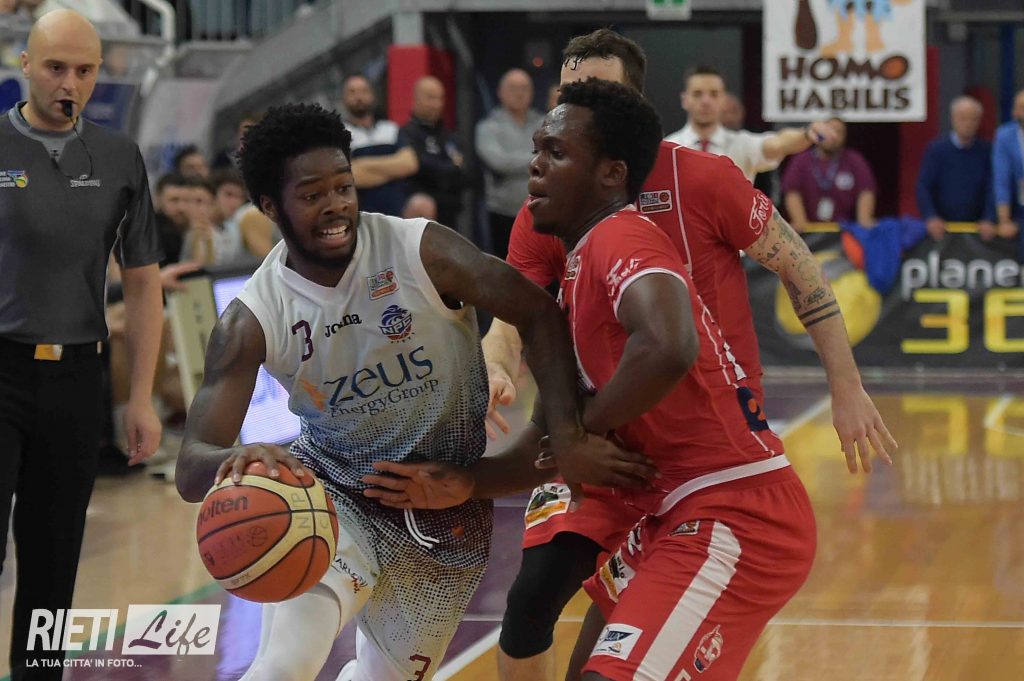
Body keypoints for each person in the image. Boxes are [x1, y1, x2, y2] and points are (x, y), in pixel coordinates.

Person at [364, 78, 819, 681]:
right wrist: (463, 483)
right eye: (536, 149)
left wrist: (581, 433)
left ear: (611, 174)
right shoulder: (577, 275)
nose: (535, 165)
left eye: (556, 153)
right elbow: (546, 442)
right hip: (671, 512)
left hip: (736, 512)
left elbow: (670, 345)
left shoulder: (620, 236)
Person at [173, 102, 646, 681]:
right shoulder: (253, 317)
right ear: (270, 206)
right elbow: (191, 468)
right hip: (334, 495)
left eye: (343, 186)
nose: (336, 206)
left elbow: (538, 313)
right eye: (313, 194)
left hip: (446, 514)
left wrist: (565, 434)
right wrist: (237, 456)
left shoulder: (419, 250)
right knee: (286, 664)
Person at [480, 29, 895, 681]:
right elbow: (517, 311)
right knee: (533, 594)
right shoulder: (550, 203)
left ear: (633, 106)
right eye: (567, 93)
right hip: (606, 434)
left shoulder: (701, 176)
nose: (575, 106)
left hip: (704, 440)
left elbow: (798, 265)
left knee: (621, 630)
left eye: (596, 91)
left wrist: (846, 385)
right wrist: (496, 363)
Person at [0, 10, 164, 679]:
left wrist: (141, 398)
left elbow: (144, 283)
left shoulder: (119, 156)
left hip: (76, 381)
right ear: (24, 65)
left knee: (53, 561)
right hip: (1, 369)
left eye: (85, 70)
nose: (69, 82)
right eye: (55, 67)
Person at [664, 65, 838, 182]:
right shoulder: (666, 149)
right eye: (697, 94)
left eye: (714, 94)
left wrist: (806, 134)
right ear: (685, 100)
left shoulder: (742, 144)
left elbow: (778, 143)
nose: (705, 101)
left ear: (724, 100)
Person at [476, 68, 546, 257]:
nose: (519, 93)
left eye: (524, 88)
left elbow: (553, 158)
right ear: (500, 92)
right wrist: (537, 158)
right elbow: (499, 163)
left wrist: (518, 159)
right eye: (513, 88)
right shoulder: (488, 127)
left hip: (541, 211)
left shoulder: (544, 123)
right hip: (503, 212)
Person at [916, 96, 996, 241]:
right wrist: (931, 216)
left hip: (978, 229)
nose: (968, 124)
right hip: (942, 228)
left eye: (973, 119)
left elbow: (993, 187)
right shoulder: (936, 150)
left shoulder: (987, 150)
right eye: (963, 118)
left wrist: (989, 217)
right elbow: (924, 186)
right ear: (953, 119)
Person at [341, 74, 418, 217]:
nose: (358, 97)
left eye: (363, 91)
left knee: (423, 204)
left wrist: (364, 165)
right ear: (343, 98)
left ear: (372, 95)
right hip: (362, 212)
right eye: (352, 92)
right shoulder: (340, 134)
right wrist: (393, 170)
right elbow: (351, 176)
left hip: (400, 207)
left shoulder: (390, 128)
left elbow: (410, 164)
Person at [782, 117, 878, 231]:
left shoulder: (854, 160)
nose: (834, 136)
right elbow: (792, 191)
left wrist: (864, 219)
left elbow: (866, 191)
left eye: (839, 132)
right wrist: (799, 221)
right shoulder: (801, 159)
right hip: (809, 230)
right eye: (830, 130)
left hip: (845, 229)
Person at [400, 76, 468, 228]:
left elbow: (466, 175)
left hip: (451, 215)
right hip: (419, 218)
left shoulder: (450, 137)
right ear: (416, 98)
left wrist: (440, 168)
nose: (436, 104)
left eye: (440, 98)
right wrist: (450, 166)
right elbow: (418, 166)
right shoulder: (405, 134)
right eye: (430, 98)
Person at [992, 88, 1024, 245]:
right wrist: (1004, 220)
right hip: (1019, 207)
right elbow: (1001, 180)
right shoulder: (1005, 136)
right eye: (1020, 107)